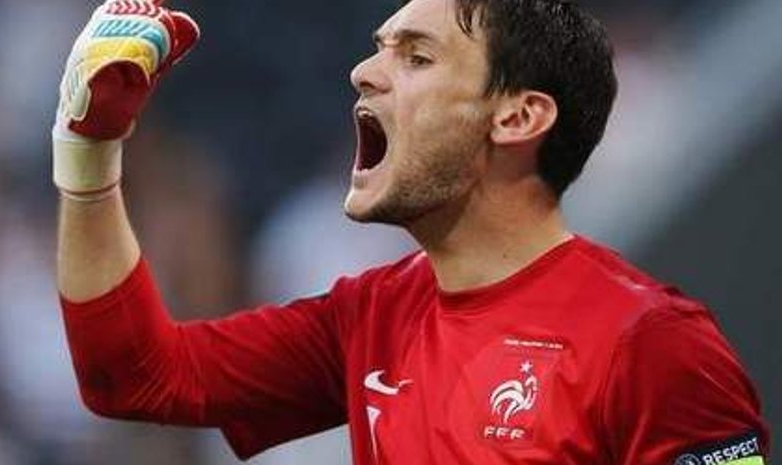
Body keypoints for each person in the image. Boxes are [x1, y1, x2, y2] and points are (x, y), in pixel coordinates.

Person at [51, 0, 770, 464]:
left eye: (416, 57)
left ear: (517, 117)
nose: (364, 72)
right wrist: (89, 155)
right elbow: (135, 378)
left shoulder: (651, 343)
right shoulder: (370, 316)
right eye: (380, 48)